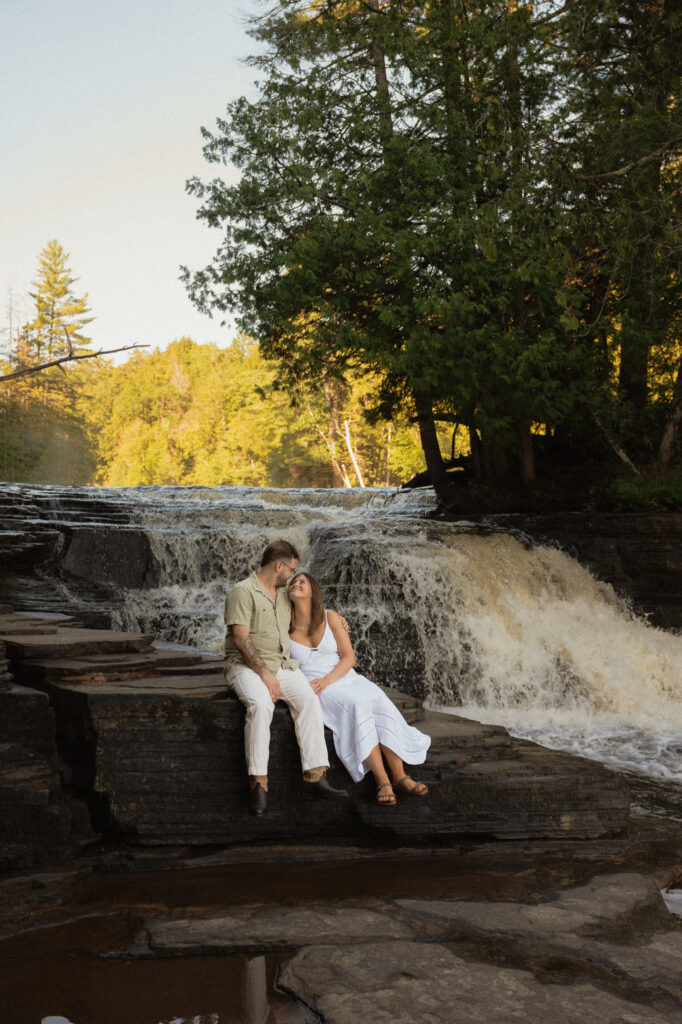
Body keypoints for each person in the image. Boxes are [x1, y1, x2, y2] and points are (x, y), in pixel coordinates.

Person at [225, 540, 350, 815]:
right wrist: (265, 673)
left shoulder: (283, 596)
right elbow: (240, 637)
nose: (293, 575)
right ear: (278, 566)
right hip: (245, 667)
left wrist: (335, 619)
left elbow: (310, 611)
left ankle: (316, 776)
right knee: (261, 705)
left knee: (308, 699)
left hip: (282, 665)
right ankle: (259, 784)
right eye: (291, 569)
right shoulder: (242, 592)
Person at [287, 572, 431, 805]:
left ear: (313, 590)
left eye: (302, 581)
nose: (296, 584)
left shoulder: (331, 617)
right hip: (314, 685)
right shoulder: (283, 624)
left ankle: (400, 775)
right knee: (357, 705)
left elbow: (349, 658)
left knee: (378, 699)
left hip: (342, 676)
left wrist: (329, 679)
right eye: (293, 582)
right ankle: (382, 779)